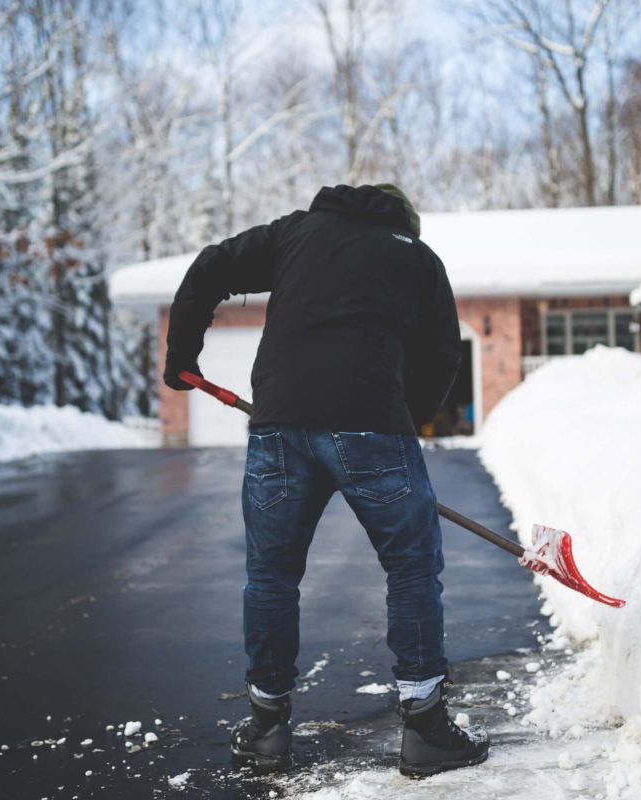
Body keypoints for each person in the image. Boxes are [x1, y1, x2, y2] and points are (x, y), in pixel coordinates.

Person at [163, 183, 489, 777]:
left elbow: (211, 265)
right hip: (372, 425)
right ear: (405, 222)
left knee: (271, 576)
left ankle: (266, 726)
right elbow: (443, 352)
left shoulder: (294, 234)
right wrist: (399, 419)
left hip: (279, 424)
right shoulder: (417, 258)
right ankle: (425, 728)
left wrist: (181, 352)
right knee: (411, 567)